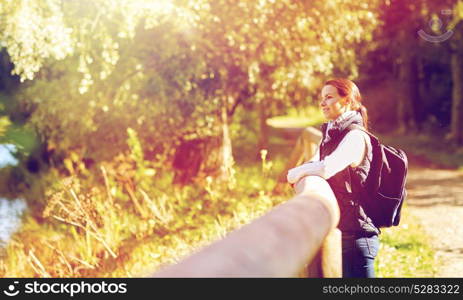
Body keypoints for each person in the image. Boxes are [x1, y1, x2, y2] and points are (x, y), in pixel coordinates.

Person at [286, 78, 380, 278]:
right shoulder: (333, 134)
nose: (322, 103)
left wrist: (294, 173)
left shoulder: (355, 137)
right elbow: (315, 162)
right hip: (344, 234)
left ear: (347, 101)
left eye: (329, 97)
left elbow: (327, 168)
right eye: (321, 98)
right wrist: (304, 170)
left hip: (357, 239)